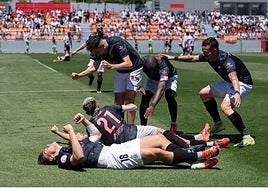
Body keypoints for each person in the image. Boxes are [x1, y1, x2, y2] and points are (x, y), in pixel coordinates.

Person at [160, 37, 255, 148]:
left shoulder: (226, 60)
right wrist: (172, 57)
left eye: (206, 52)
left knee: (225, 107)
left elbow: (234, 77)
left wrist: (237, 92)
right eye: (203, 51)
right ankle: (218, 124)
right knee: (204, 93)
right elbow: (192, 58)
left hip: (242, 83)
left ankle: (247, 136)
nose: (204, 54)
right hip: (229, 82)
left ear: (214, 50)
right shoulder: (209, 56)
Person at [38, 124, 220, 170]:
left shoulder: (69, 146)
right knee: (156, 153)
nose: (47, 146)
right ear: (50, 157)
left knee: (158, 138)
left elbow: (96, 135)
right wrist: (70, 133)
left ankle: (190, 157)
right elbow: (78, 157)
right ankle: (199, 157)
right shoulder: (63, 159)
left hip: (115, 149)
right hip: (112, 159)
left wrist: (81, 125)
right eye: (45, 150)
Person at [71, 97, 229, 149]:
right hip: (132, 131)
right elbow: (132, 106)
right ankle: (200, 142)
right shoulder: (107, 107)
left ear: (87, 113)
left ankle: (201, 139)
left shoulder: (91, 124)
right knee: (162, 133)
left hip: (123, 146)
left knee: (164, 141)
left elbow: (97, 139)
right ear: (96, 105)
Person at [71, 35, 144, 124]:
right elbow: (94, 67)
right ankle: (120, 127)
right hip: (120, 70)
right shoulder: (98, 50)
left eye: (97, 52)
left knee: (129, 100)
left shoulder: (117, 43)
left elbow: (129, 64)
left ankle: (130, 129)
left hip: (134, 69)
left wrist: (112, 66)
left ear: (102, 46)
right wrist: (79, 75)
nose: (97, 55)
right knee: (118, 101)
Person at [138, 55, 178, 134]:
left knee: (169, 96)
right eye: (149, 72)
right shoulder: (141, 62)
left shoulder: (164, 68)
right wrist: (137, 86)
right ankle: (143, 128)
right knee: (145, 98)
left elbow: (161, 88)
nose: (152, 74)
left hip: (170, 77)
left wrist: (152, 105)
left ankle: (173, 124)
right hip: (152, 80)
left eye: (153, 71)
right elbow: (132, 71)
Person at [71, 22, 105, 94]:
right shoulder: (93, 36)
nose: (100, 27)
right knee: (89, 72)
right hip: (93, 57)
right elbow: (85, 44)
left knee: (99, 74)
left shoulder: (105, 37)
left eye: (101, 26)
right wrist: (76, 51)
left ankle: (98, 88)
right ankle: (91, 77)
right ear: (96, 27)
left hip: (101, 58)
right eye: (99, 26)